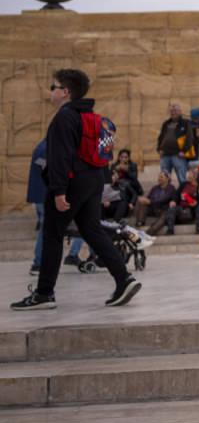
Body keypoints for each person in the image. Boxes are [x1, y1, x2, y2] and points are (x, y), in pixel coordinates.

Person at [12, 69, 141, 311]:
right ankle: (124, 279)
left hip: (71, 183)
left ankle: (43, 293)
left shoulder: (64, 118)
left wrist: (59, 192)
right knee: (92, 230)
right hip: (93, 181)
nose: (51, 91)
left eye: (54, 87)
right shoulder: (93, 116)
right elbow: (104, 153)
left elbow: (59, 158)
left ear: (65, 92)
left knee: (52, 233)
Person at [155, 103, 192, 185]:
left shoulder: (186, 123)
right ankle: (166, 195)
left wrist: (184, 150)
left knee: (182, 178)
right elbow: (160, 137)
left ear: (180, 111)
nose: (173, 112)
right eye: (171, 111)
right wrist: (159, 149)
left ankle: (183, 195)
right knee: (164, 178)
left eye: (175, 110)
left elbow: (189, 138)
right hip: (165, 154)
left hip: (178, 154)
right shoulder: (166, 123)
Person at [26, 140, 48, 275]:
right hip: (43, 195)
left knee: (45, 229)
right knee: (45, 229)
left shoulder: (43, 147)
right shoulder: (44, 149)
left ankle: (40, 262)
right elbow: (47, 168)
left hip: (41, 195)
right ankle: (38, 263)